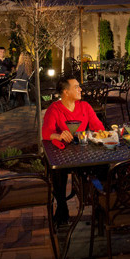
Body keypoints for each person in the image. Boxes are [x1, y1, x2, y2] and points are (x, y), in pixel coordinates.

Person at [41, 77, 105, 224]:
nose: (80, 89)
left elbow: (99, 127)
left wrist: (93, 134)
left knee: (103, 166)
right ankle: (62, 208)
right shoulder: (54, 109)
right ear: (66, 92)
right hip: (63, 153)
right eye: (76, 87)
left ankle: (100, 204)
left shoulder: (85, 106)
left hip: (84, 152)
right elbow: (46, 133)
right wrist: (58, 135)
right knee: (57, 171)